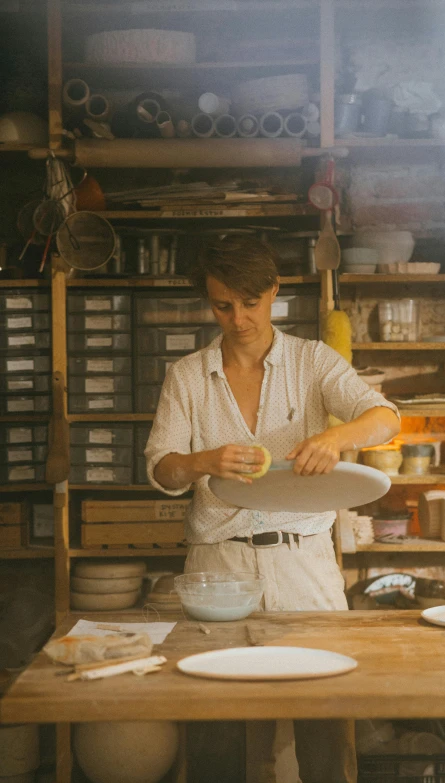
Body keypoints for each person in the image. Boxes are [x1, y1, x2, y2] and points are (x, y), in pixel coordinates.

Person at [145, 235, 400, 783]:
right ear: (208, 302)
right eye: (223, 305)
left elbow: (385, 416)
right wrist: (202, 461)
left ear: (275, 293)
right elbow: (162, 471)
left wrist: (338, 439)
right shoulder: (187, 376)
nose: (238, 319)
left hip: (304, 566)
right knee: (219, 735)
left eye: (250, 303)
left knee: (325, 726)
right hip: (220, 569)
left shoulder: (312, 361)